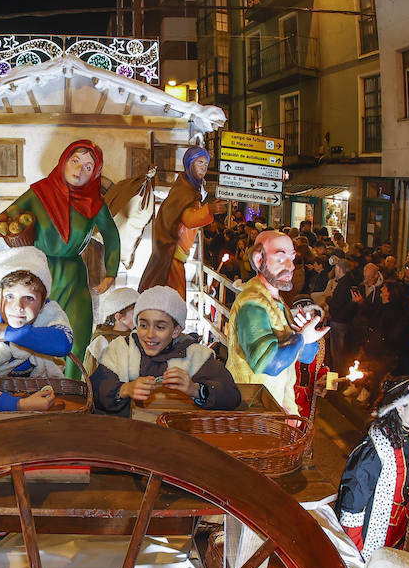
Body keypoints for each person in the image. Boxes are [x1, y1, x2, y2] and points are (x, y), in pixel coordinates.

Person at [0, 139, 121, 375]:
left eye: (88, 167)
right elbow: (9, 215)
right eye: (75, 161)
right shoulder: (40, 193)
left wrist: (111, 272)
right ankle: (26, 383)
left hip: (73, 275)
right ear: (64, 161)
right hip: (36, 271)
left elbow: (112, 235)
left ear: (95, 173)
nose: (79, 171)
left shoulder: (94, 204)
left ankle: (73, 390)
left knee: (78, 335)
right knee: (28, 332)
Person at [90, 286, 240, 418]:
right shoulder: (121, 350)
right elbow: (94, 389)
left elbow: (231, 396)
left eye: (160, 327)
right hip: (127, 439)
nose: (149, 334)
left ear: (176, 331)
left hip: (180, 439)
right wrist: (124, 389)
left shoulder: (196, 357)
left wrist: (195, 390)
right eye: (143, 325)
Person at [336, 377, 409, 562]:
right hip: (368, 539)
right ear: (400, 407)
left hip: (398, 532)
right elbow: (353, 503)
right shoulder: (376, 449)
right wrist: (355, 553)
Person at [225, 231, 327, 415]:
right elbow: (267, 363)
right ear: (258, 260)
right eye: (280, 259)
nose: (291, 266)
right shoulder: (252, 304)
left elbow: (305, 356)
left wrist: (305, 338)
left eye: (292, 258)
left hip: (273, 408)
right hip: (252, 411)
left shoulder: (277, 303)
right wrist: (302, 338)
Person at [0, 247, 73, 412]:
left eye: (29, 298)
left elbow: (63, 344)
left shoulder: (48, 313)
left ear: (42, 304)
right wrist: (20, 405)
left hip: (39, 390)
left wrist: (7, 332)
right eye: (10, 296)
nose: (19, 307)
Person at [137, 146, 227, 297]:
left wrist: (207, 211)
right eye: (200, 162)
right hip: (172, 255)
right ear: (189, 164)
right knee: (174, 300)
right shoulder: (185, 191)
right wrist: (209, 210)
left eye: (206, 164)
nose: (204, 167)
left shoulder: (189, 189)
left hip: (176, 255)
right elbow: (189, 219)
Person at [85, 286, 138, 375]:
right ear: (119, 317)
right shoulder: (102, 342)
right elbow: (90, 373)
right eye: (135, 313)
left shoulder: (137, 336)